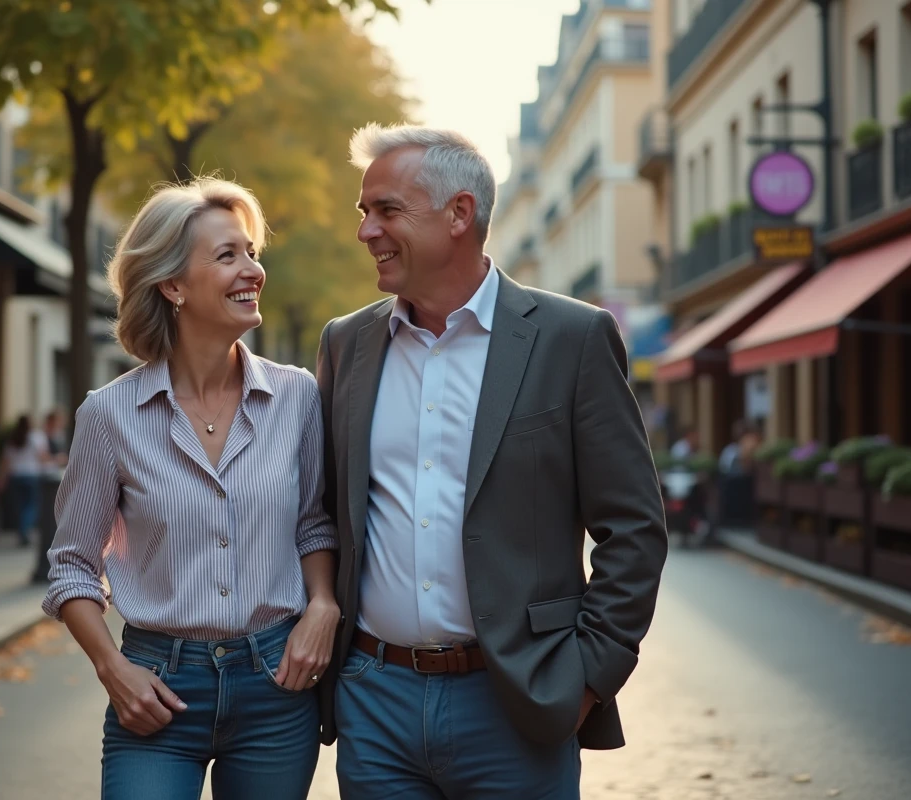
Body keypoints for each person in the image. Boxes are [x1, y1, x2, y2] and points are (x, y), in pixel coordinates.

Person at [315, 124, 669, 799]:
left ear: (459, 214)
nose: (366, 231)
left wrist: (586, 680)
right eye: (364, 213)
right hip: (374, 700)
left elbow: (634, 529)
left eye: (387, 210)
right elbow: (322, 512)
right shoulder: (347, 344)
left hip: (518, 702)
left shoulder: (572, 338)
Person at [43, 177, 339, 800]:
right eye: (227, 256)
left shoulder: (297, 397)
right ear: (173, 285)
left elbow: (313, 522)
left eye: (252, 253)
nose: (253, 270)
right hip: (157, 688)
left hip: (276, 688)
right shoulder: (110, 414)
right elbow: (72, 566)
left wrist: (322, 604)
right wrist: (112, 669)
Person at [0, 414, 50, 546]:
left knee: (20, 506)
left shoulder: (13, 438)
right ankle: (24, 530)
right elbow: (42, 457)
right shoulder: (36, 437)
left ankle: (22, 530)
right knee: (31, 506)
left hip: (16, 476)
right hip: (31, 475)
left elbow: (6, 462)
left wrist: (1, 478)